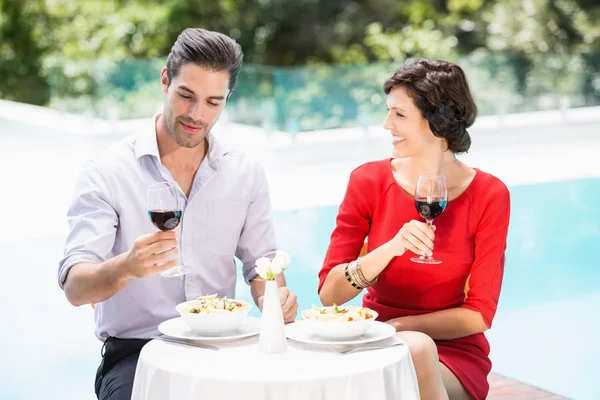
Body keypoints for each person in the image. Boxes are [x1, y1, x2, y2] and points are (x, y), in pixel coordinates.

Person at [58, 28, 298, 400]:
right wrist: (126, 267)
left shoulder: (245, 172)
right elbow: (75, 287)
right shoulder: (107, 172)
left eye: (213, 102)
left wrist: (273, 299)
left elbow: (262, 265)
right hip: (137, 354)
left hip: (224, 347)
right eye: (186, 96)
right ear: (165, 80)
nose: (196, 115)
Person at [317, 59, 510, 400]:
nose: (386, 124)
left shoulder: (489, 194)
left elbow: (478, 315)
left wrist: (400, 328)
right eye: (388, 112)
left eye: (399, 115)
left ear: (438, 120)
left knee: (416, 349)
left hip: (450, 355)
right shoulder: (368, 181)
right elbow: (329, 295)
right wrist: (389, 249)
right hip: (371, 341)